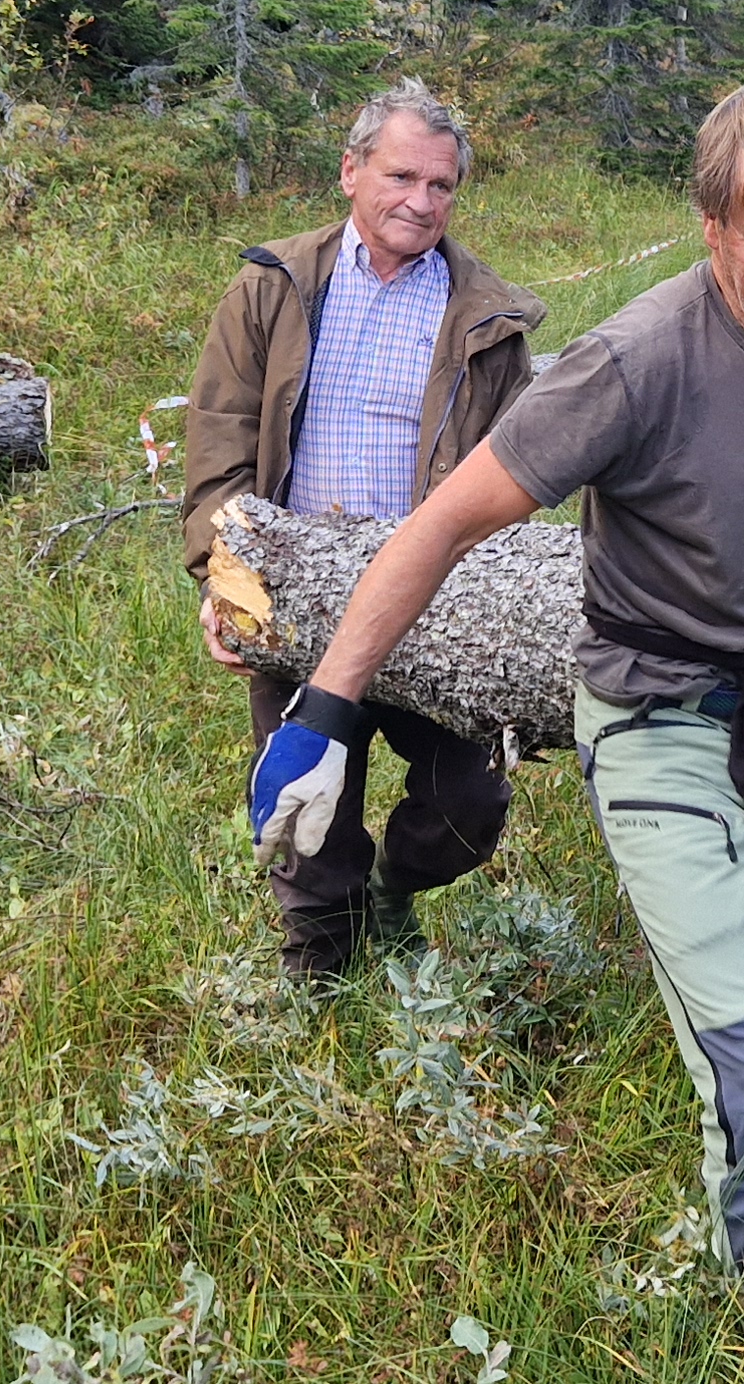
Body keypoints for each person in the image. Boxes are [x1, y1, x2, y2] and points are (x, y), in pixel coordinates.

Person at [245, 76, 744, 1295]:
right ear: (711, 229)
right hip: (660, 724)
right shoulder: (633, 362)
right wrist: (325, 712)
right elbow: (438, 527)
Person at [181, 78, 547, 979]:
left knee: (469, 808)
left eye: (441, 186)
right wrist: (226, 587)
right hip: (298, 602)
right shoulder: (273, 289)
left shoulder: (489, 321)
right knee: (306, 816)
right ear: (350, 171)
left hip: (440, 602)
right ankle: (324, 968)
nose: (420, 202)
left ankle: (394, 890)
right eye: (400, 177)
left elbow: (520, 478)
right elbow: (219, 448)